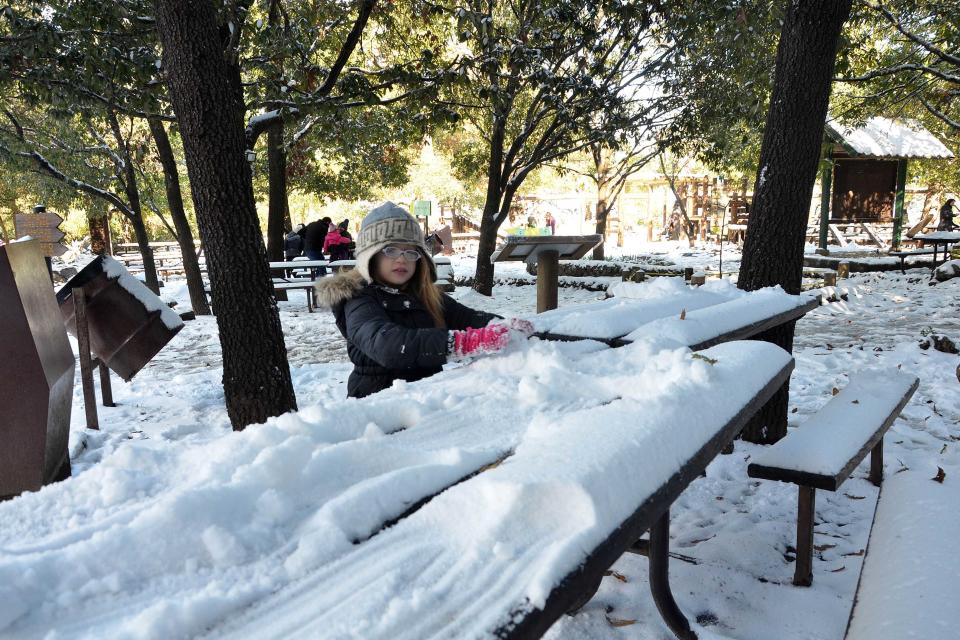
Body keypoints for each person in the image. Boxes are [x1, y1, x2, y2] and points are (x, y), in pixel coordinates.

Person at [315, 201, 534, 398]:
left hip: (427, 400)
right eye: (391, 250)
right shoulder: (359, 299)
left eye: (411, 252)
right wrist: (462, 343)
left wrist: (502, 326)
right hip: (377, 407)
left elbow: (467, 317)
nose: (402, 258)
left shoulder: (422, 295)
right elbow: (387, 346)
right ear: (369, 256)